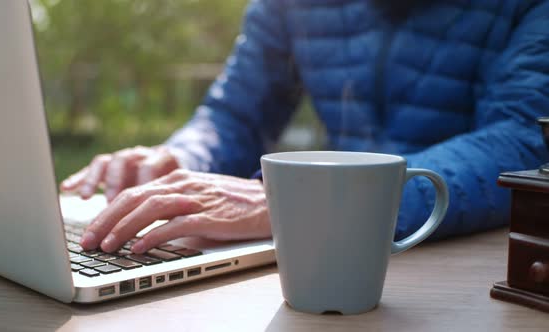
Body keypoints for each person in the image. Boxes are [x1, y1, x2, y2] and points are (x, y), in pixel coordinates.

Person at [61, 0, 549, 254]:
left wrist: (310, 198)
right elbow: (235, 114)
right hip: (328, 246)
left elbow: (525, 142)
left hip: (470, 264)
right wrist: (183, 160)